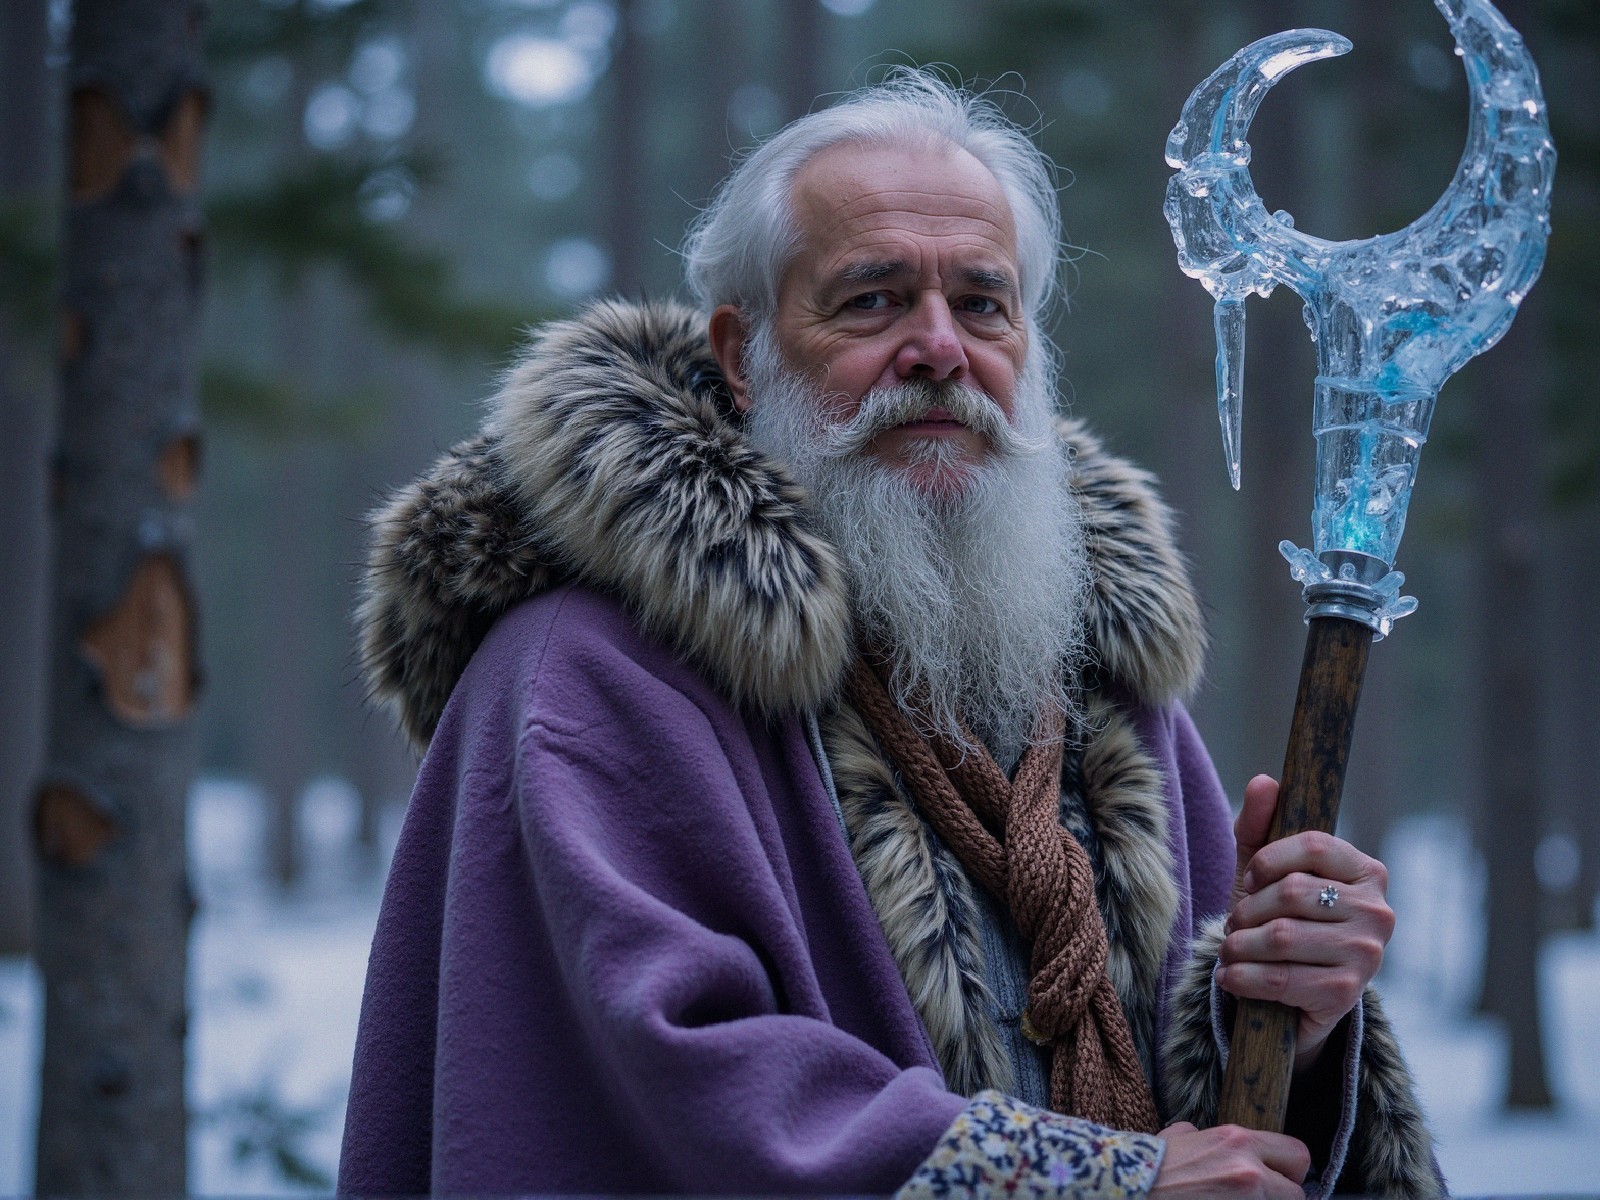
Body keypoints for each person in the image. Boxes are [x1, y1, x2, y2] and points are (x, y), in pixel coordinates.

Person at [338, 72, 1441, 1198]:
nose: (939, 349)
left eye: (984, 304)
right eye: (872, 301)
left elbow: (1220, 1139)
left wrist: (1286, 1012)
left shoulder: (1094, 671)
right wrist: (1088, 1184)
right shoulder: (586, 672)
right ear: (743, 353)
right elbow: (667, 1084)